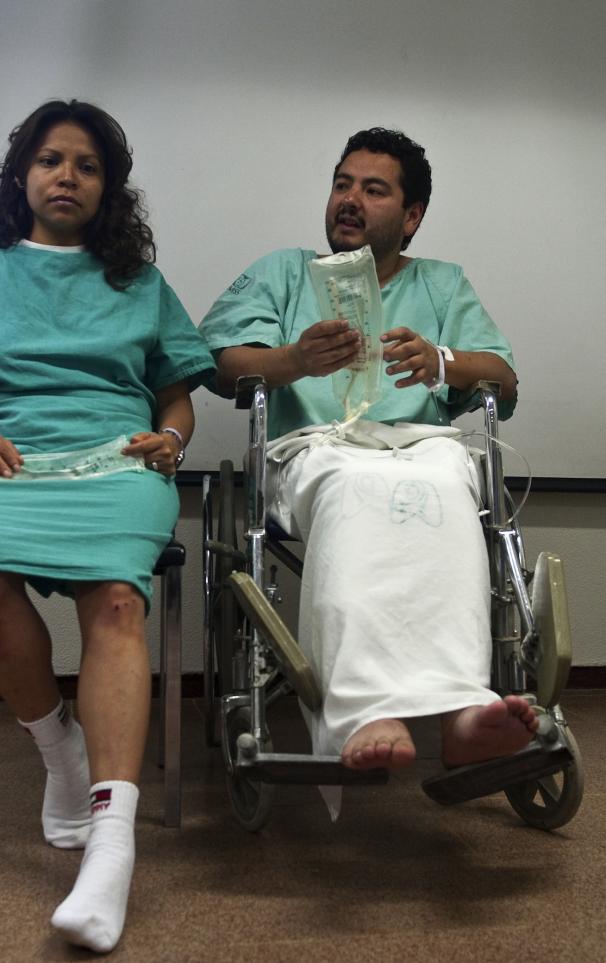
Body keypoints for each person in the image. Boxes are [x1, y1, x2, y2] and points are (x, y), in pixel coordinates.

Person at [0, 99, 214, 953]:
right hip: (4, 461)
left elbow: (176, 394)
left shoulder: (140, 283)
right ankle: (60, 751)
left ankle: (112, 840)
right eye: (52, 160)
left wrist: (170, 439)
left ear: (110, 190)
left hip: (115, 463)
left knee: (117, 604)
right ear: (21, 175)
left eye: (89, 166)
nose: (68, 176)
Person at [199, 128, 538, 803]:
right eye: (342, 183)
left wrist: (443, 362)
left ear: (411, 217)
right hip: (318, 449)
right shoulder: (283, 272)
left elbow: (502, 379)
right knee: (356, 488)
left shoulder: (442, 283)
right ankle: (363, 710)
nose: (349, 200)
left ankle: (463, 708)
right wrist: (294, 360)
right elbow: (221, 361)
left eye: (373, 189)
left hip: (420, 447)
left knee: (444, 484)